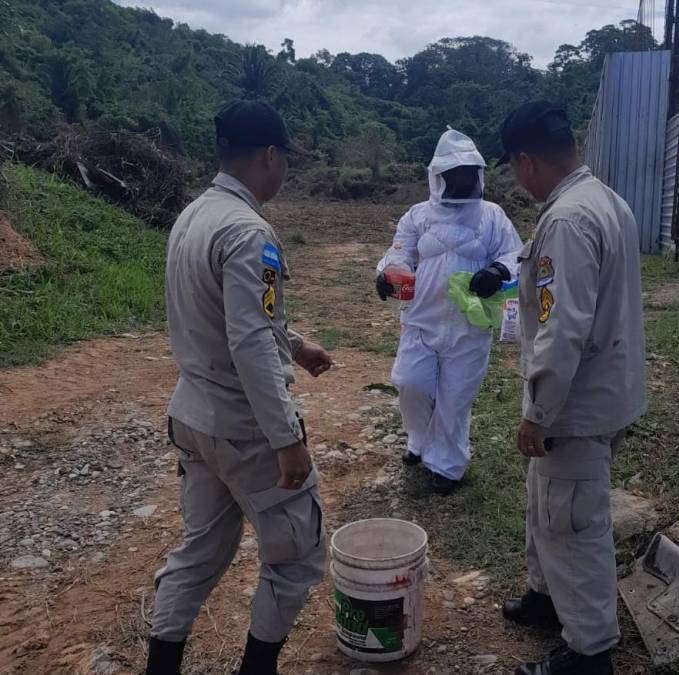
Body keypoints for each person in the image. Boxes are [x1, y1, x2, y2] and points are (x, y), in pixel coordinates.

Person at [146, 100, 333, 675]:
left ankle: (162, 665)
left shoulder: (194, 216)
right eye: (285, 160)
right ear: (269, 156)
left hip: (194, 419)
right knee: (298, 554)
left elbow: (235, 315)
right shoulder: (252, 232)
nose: (285, 171)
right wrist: (287, 438)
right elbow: (250, 339)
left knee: (200, 550)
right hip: (244, 427)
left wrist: (296, 345)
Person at [498, 101, 647, 675]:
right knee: (548, 499)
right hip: (607, 391)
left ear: (527, 161)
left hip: (577, 405)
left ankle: (590, 653)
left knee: (574, 521)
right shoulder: (607, 201)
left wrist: (538, 412)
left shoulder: (565, 220)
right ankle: (545, 596)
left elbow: (563, 330)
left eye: (515, 168)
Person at [376, 128, 522, 495]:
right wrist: (385, 273)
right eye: (454, 174)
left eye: (467, 173)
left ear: (478, 174)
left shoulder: (492, 216)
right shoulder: (417, 216)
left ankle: (447, 466)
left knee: (455, 398)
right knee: (411, 383)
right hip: (420, 319)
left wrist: (497, 271)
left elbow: (515, 255)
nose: (462, 180)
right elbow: (400, 252)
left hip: (470, 324)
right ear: (438, 176)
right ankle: (419, 441)